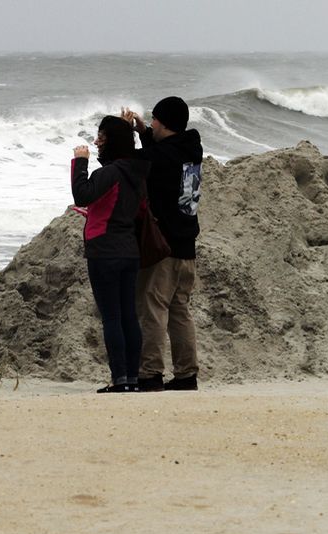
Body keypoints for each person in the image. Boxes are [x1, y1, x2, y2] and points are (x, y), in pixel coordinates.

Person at [121, 97, 203, 391]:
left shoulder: (162, 157)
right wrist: (143, 131)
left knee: (153, 308)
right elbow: (160, 153)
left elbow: (131, 163)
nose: (151, 123)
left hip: (164, 246)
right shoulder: (191, 149)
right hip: (187, 245)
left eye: (154, 119)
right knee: (180, 310)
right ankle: (186, 375)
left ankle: (150, 373)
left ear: (165, 123)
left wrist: (124, 132)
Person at [71, 116, 155, 393]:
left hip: (104, 250)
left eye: (101, 137)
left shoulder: (110, 173)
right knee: (128, 315)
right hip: (128, 250)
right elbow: (132, 208)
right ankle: (131, 378)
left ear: (112, 142)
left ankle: (119, 378)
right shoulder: (136, 172)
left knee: (111, 317)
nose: (96, 142)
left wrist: (80, 162)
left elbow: (82, 194)